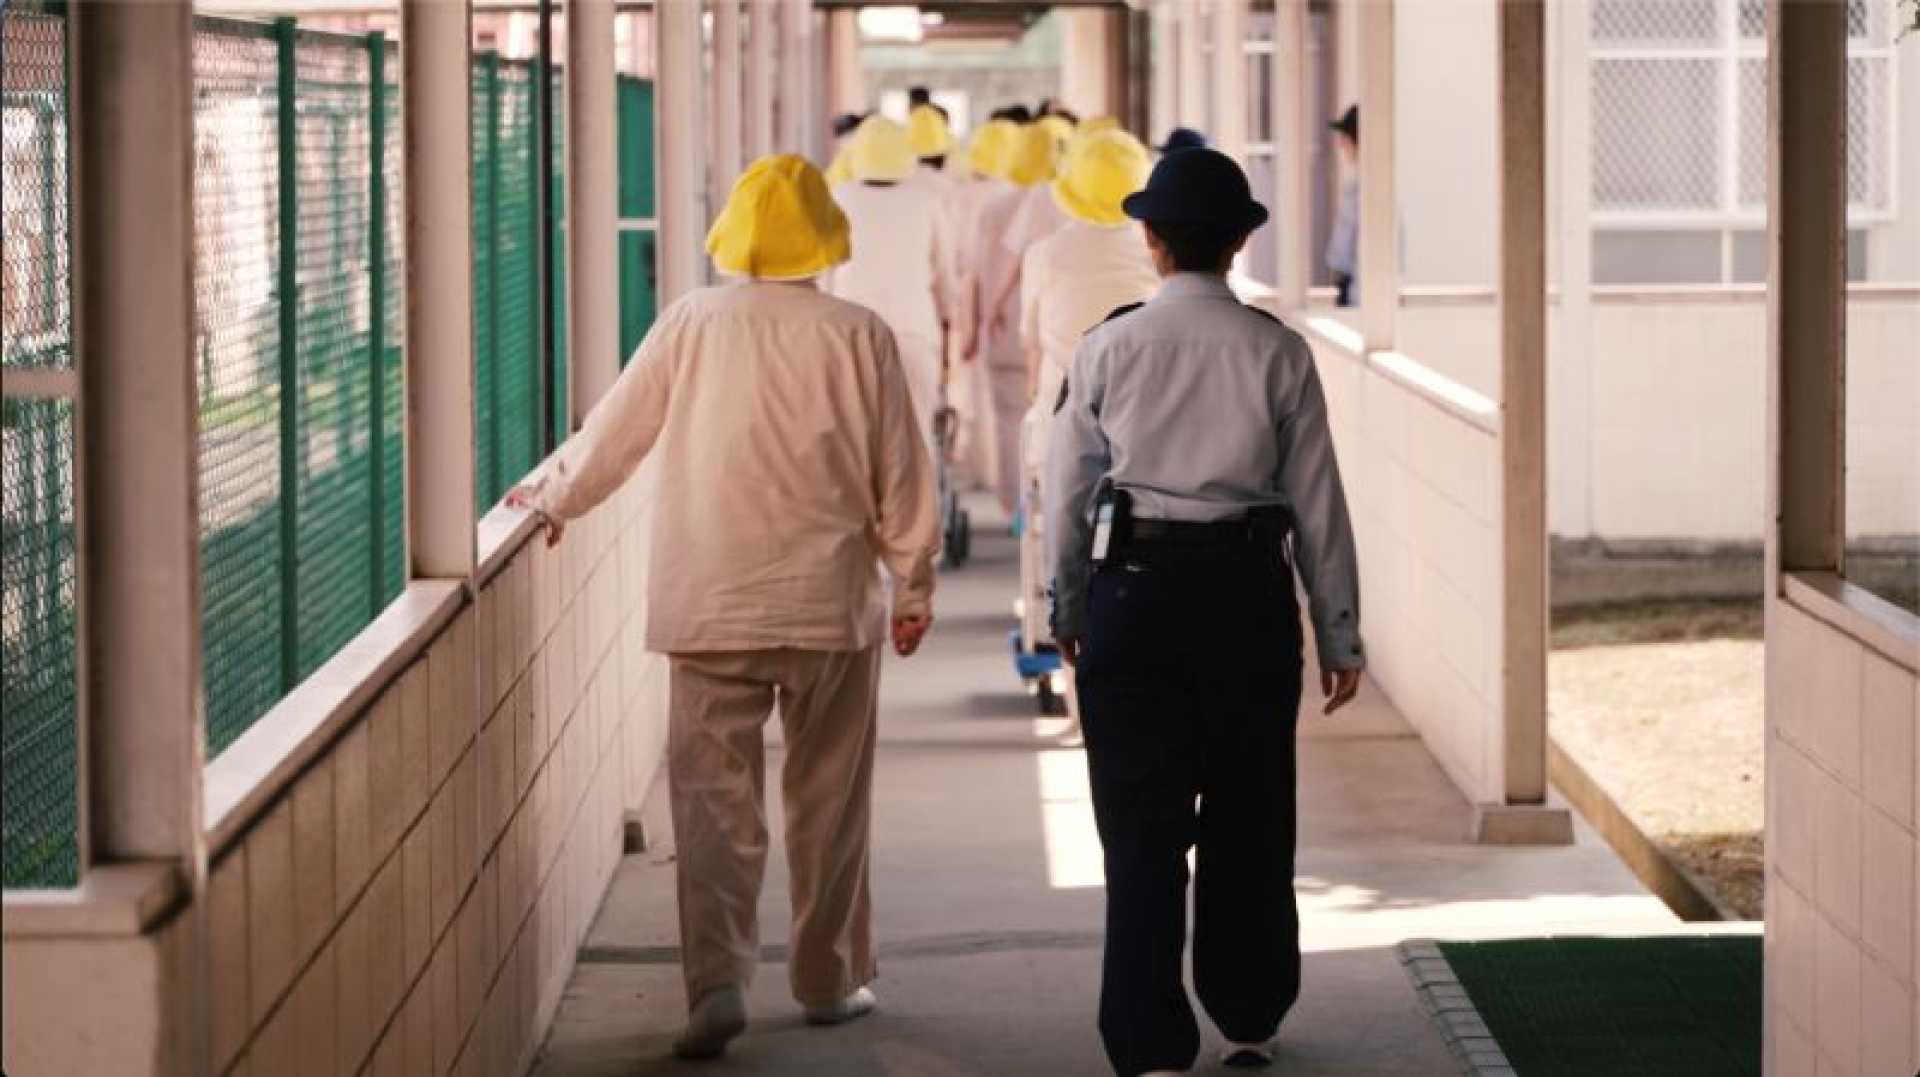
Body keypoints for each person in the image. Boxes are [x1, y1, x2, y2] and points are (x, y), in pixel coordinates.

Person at [508, 154, 939, 1062]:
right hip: (831, 607)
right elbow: (902, 475)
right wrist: (914, 583)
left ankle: (715, 987)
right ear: (826, 238)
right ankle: (827, 982)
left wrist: (553, 496)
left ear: (735, 239)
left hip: (711, 601)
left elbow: (614, 432)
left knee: (712, 805)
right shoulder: (860, 334)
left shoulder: (693, 321)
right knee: (830, 803)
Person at [1046, 148, 1365, 1077]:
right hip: (1246, 596)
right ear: (1241, 241)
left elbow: (1068, 488)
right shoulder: (1279, 352)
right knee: (1251, 815)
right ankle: (1251, 1014)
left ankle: (1148, 1042)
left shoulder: (1106, 347)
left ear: (1150, 240)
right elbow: (1317, 502)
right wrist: (1339, 628)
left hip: (1133, 596)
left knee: (1140, 829)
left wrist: (1065, 604)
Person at [1015, 130, 1159, 743]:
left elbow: (1030, 344)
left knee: (1067, 562)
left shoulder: (1047, 254)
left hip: (1063, 420)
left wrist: (1035, 412)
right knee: (1145, 557)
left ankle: (1080, 714)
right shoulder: (1155, 252)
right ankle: (1144, 697)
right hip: (1145, 428)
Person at [823, 116, 947, 452]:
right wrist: (950, 322)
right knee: (918, 437)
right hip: (914, 329)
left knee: (857, 439)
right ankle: (920, 502)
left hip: (852, 333)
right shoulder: (926, 199)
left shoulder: (838, 198)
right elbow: (944, 276)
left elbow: (825, 275)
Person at [967, 122, 1062, 514]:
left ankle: (1014, 507)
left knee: (1009, 417)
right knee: (1052, 415)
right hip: (1052, 324)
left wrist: (984, 315)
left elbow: (979, 268)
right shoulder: (1063, 200)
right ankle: (1045, 505)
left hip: (1006, 323)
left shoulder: (992, 205)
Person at [1324, 104, 1360, 307]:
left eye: (1344, 138)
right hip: (1347, 284)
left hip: (1358, 290)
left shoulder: (1370, 192)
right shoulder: (1355, 184)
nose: (1340, 145)